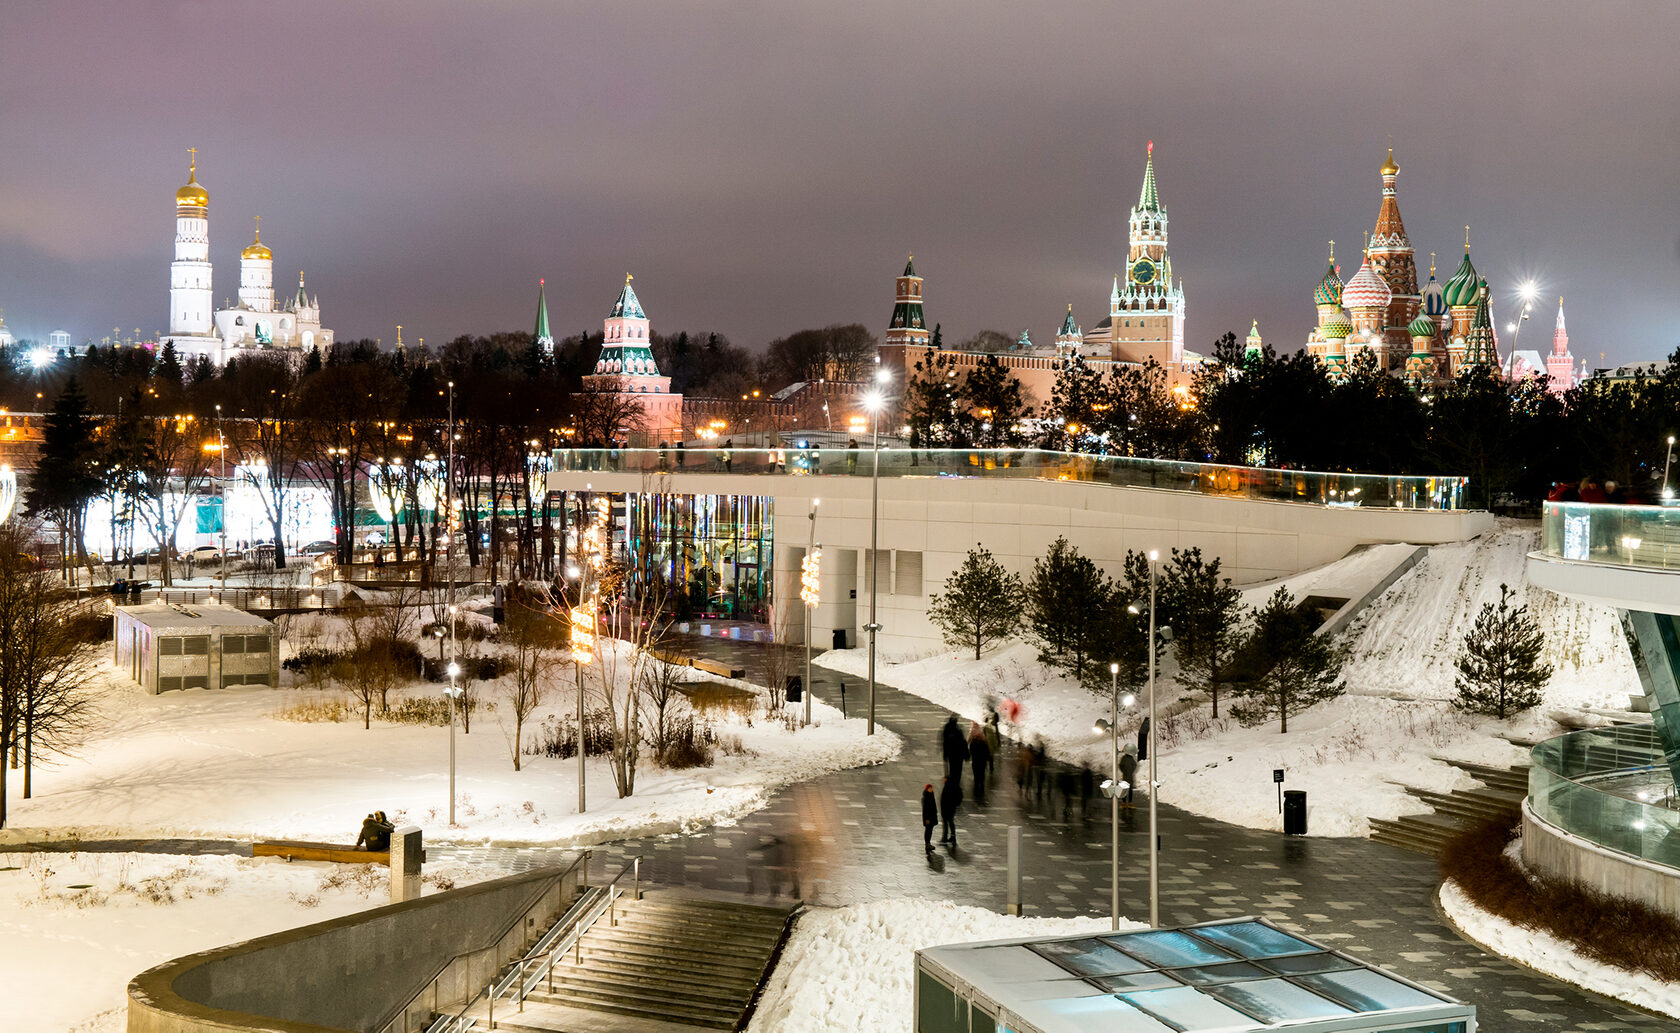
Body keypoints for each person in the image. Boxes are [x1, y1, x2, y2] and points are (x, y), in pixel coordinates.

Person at [968, 724, 992, 804]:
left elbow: (971, 751)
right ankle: (981, 786)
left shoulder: (973, 743)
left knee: (976, 774)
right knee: (981, 774)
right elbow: (987, 752)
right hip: (982, 762)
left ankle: (977, 785)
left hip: (976, 761)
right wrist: (987, 759)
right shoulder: (984, 743)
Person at [941, 715, 969, 779]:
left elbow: (945, 742)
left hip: (952, 754)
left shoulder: (947, 728)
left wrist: (945, 753)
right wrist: (966, 754)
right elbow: (963, 743)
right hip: (958, 755)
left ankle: (953, 779)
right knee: (958, 769)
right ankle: (956, 780)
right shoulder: (958, 730)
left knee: (952, 767)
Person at [939, 774, 962, 847]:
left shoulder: (950, 787)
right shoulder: (950, 786)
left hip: (949, 808)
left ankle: (947, 837)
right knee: (949, 822)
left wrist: (954, 804)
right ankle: (951, 837)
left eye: (945, 779)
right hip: (948, 808)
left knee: (947, 822)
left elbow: (956, 797)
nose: (944, 780)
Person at [921, 783, 939, 855]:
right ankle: (927, 844)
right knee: (928, 830)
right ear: (927, 789)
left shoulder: (931, 796)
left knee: (930, 830)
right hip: (928, 818)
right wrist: (927, 819)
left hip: (932, 817)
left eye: (931, 788)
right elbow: (925, 809)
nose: (931, 789)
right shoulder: (925, 798)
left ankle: (928, 843)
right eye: (929, 788)